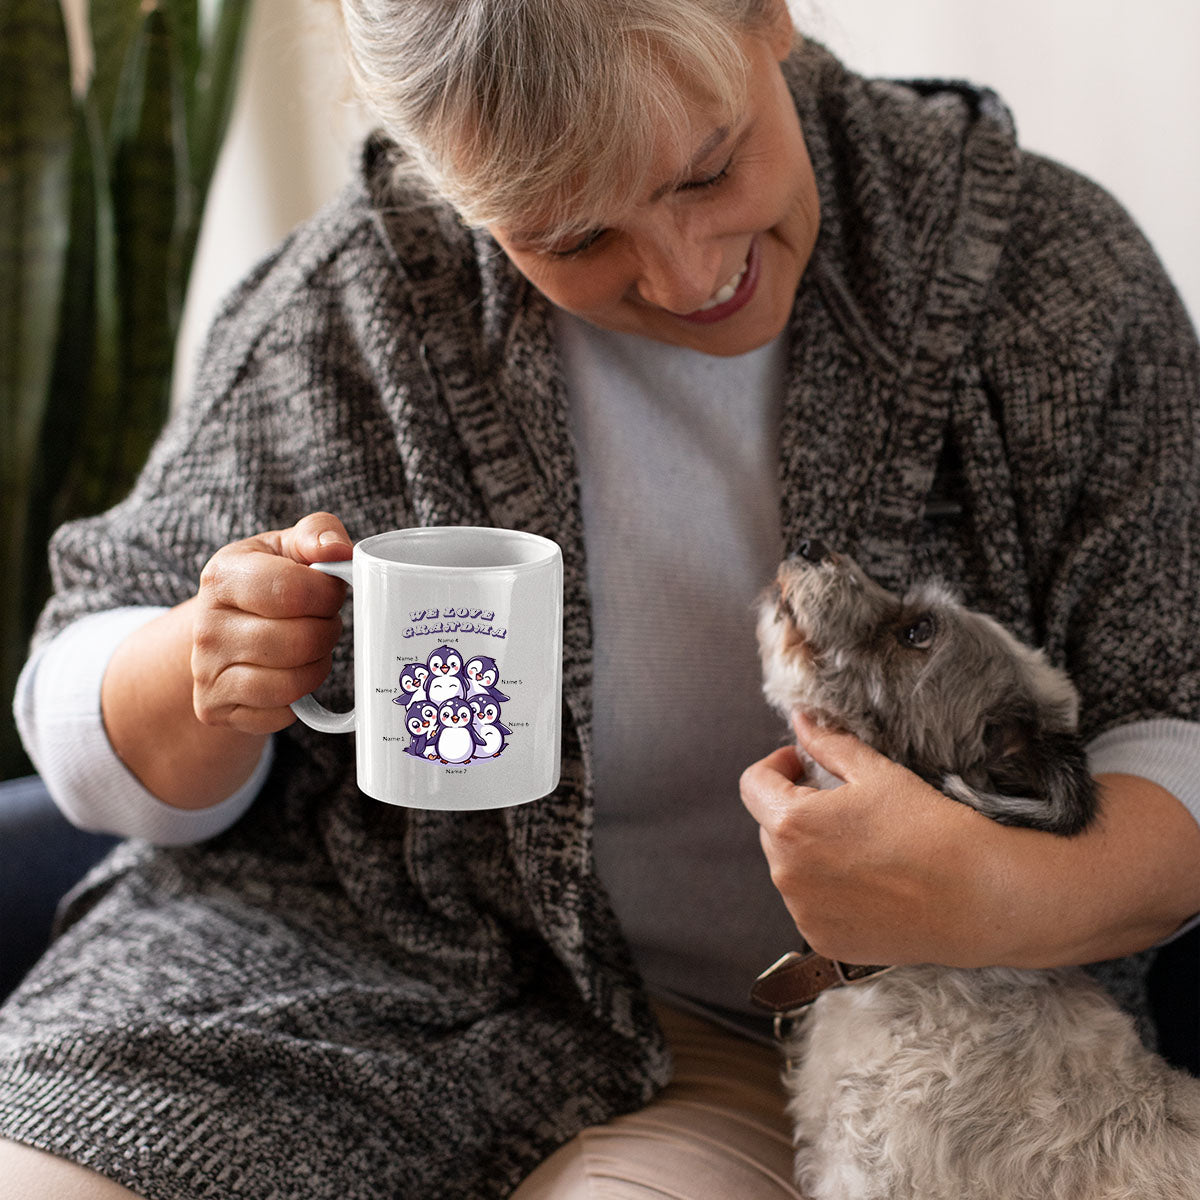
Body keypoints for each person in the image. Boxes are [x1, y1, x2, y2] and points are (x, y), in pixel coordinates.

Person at [3, 0, 1200, 1195]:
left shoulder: (1044, 281)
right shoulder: (345, 319)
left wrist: (999, 898)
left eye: (710, 168)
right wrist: (202, 666)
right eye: (572, 238)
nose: (687, 276)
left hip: (787, 1052)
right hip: (311, 981)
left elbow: (1178, 712)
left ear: (766, 16)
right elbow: (78, 712)